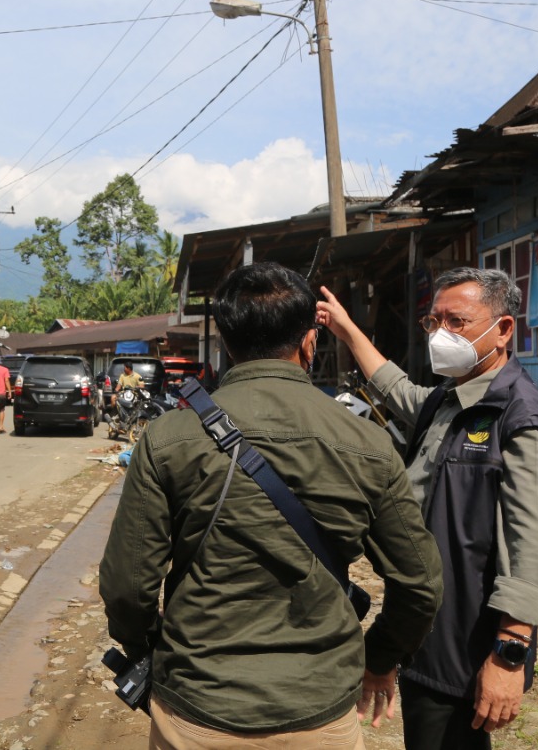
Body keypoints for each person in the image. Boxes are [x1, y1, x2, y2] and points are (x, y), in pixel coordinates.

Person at [100, 261, 443, 748]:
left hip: (197, 709)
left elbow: (126, 585)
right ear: (309, 342)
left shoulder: (169, 436)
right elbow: (421, 584)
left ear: (225, 343)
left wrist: (142, 649)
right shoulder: (367, 441)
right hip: (321, 709)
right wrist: (379, 658)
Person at [317, 267, 538, 749]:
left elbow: (532, 547)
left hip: (469, 639)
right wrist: (346, 329)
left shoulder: (520, 417)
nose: (441, 335)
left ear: (504, 329)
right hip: (424, 624)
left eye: (458, 322)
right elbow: (394, 387)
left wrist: (509, 655)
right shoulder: (448, 402)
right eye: (434, 323)